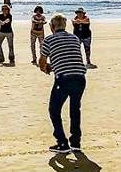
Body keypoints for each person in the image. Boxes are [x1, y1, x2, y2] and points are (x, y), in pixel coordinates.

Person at [39, 14, 87, 153]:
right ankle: (76, 142)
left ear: (52, 27)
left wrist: (46, 67)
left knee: (54, 110)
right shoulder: (74, 38)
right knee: (75, 110)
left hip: (64, 78)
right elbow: (69, 57)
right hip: (80, 76)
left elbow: (42, 62)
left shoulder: (48, 40)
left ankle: (62, 142)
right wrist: (54, 66)